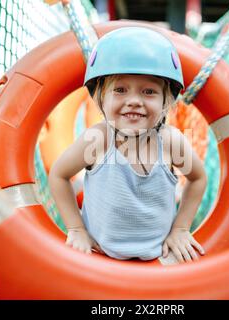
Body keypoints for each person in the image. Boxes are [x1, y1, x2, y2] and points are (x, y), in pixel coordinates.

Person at [49, 27, 206, 263]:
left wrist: (181, 228)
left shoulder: (170, 142)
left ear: (167, 101)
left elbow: (198, 178)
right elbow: (59, 175)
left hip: (158, 259)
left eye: (149, 91)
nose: (134, 101)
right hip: (100, 258)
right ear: (102, 97)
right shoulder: (98, 139)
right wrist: (76, 229)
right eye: (120, 90)